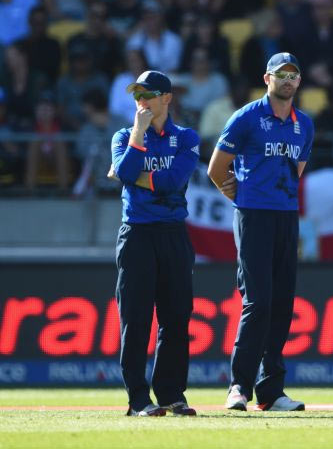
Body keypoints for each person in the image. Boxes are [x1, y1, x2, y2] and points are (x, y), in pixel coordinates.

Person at [207, 52, 314, 412]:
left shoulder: (305, 124)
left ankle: (272, 392)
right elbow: (216, 170)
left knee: (282, 305)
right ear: (267, 78)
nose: (287, 80)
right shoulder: (246, 118)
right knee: (258, 302)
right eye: (280, 74)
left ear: (299, 81)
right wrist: (245, 198)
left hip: (287, 217)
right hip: (253, 217)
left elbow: (295, 170)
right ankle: (239, 386)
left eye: (293, 74)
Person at [108, 70, 200, 417]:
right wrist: (138, 133)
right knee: (135, 318)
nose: (141, 102)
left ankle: (171, 393)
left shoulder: (187, 138)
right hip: (137, 234)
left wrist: (136, 177)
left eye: (148, 95)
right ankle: (137, 399)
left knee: (176, 317)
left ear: (167, 99)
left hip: (173, 234)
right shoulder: (124, 135)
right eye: (137, 96)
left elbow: (174, 181)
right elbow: (126, 170)